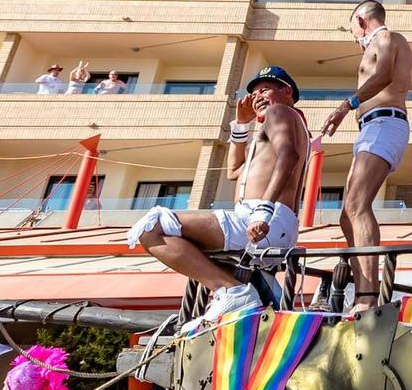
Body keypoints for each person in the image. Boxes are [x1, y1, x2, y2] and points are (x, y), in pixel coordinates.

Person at [129, 66, 307, 330]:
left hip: (265, 216)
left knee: (151, 227)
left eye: (265, 89)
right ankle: (233, 292)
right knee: (178, 238)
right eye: (254, 92)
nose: (257, 96)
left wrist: (263, 211)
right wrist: (241, 125)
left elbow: (288, 157)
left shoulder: (279, 112)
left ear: (286, 91)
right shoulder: (277, 124)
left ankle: (232, 292)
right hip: (265, 219)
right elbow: (235, 171)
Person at [315, 0, 412, 306]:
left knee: (357, 205)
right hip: (372, 126)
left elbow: (384, 75)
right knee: (347, 214)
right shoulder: (379, 44)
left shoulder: (386, 38)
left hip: (385, 122)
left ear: (360, 21)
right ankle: (362, 289)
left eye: (352, 30)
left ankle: (369, 297)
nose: (354, 39)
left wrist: (346, 106)